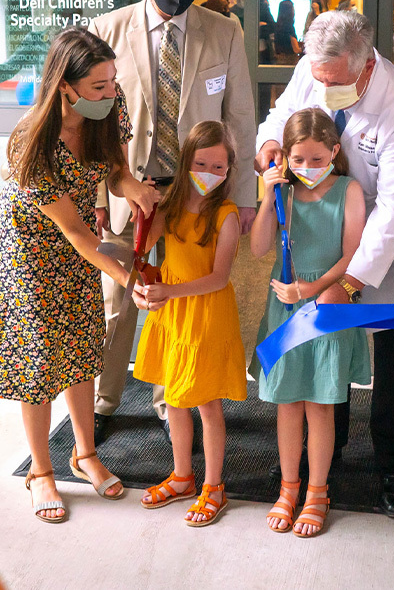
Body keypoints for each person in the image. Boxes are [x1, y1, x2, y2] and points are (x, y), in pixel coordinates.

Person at [87, 0, 256, 443]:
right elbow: (95, 124)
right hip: (127, 189)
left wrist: (243, 196)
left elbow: (241, 118)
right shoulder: (109, 29)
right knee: (119, 299)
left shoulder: (223, 31)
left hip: (193, 195)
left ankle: (171, 398)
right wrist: (98, 195)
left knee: (177, 295)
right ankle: (105, 400)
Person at [255, 10, 394, 518]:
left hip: (385, 242)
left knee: (393, 348)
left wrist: (349, 281)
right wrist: (269, 147)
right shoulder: (315, 67)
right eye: (317, 77)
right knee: (325, 346)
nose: (321, 86)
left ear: (365, 64)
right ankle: (327, 452)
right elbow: (280, 116)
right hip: (321, 228)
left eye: (334, 80)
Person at [0, 28, 158, 523]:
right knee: (41, 357)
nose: (110, 91)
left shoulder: (112, 104)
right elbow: (76, 234)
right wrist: (130, 278)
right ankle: (41, 470)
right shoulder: (32, 140)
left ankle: (84, 452)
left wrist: (132, 186)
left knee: (82, 345)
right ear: (65, 87)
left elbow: (112, 166)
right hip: (32, 249)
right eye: (98, 85)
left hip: (76, 244)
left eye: (113, 81)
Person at [249, 108, 370, 538]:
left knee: (320, 405)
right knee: (288, 402)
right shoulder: (286, 192)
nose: (306, 169)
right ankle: (288, 487)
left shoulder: (348, 190)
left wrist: (312, 288)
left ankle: (317, 492)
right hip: (285, 307)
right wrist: (268, 197)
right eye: (298, 160)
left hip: (325, 309)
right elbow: (260, 246)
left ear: (335, 152)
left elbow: (353, 254)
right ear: (285, 158)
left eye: (317, 160)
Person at [132, 120, 246, 526]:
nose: (209, 174)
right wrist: (141, 210)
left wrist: (170, 293)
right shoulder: (173, 206)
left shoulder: (227, 215)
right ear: (185, 163)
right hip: (174, 317)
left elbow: (220, 277)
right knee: (175, 397)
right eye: (201, 164)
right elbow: (144, 248)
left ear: (230, 169)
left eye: (219, 167)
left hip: (204, 315)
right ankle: (182, 476)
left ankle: (213, 486)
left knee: (206, 403)